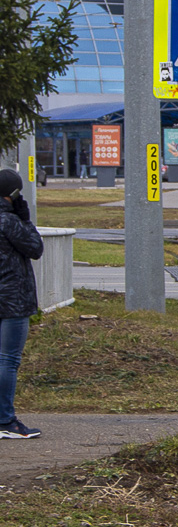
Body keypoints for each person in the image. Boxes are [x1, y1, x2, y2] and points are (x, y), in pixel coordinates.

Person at [0, 168, 43, 439]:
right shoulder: (9, 221)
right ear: (14, 194)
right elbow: (35, 248)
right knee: (8, 359)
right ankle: (6, 421)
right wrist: (25, 219)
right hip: (13, 299)